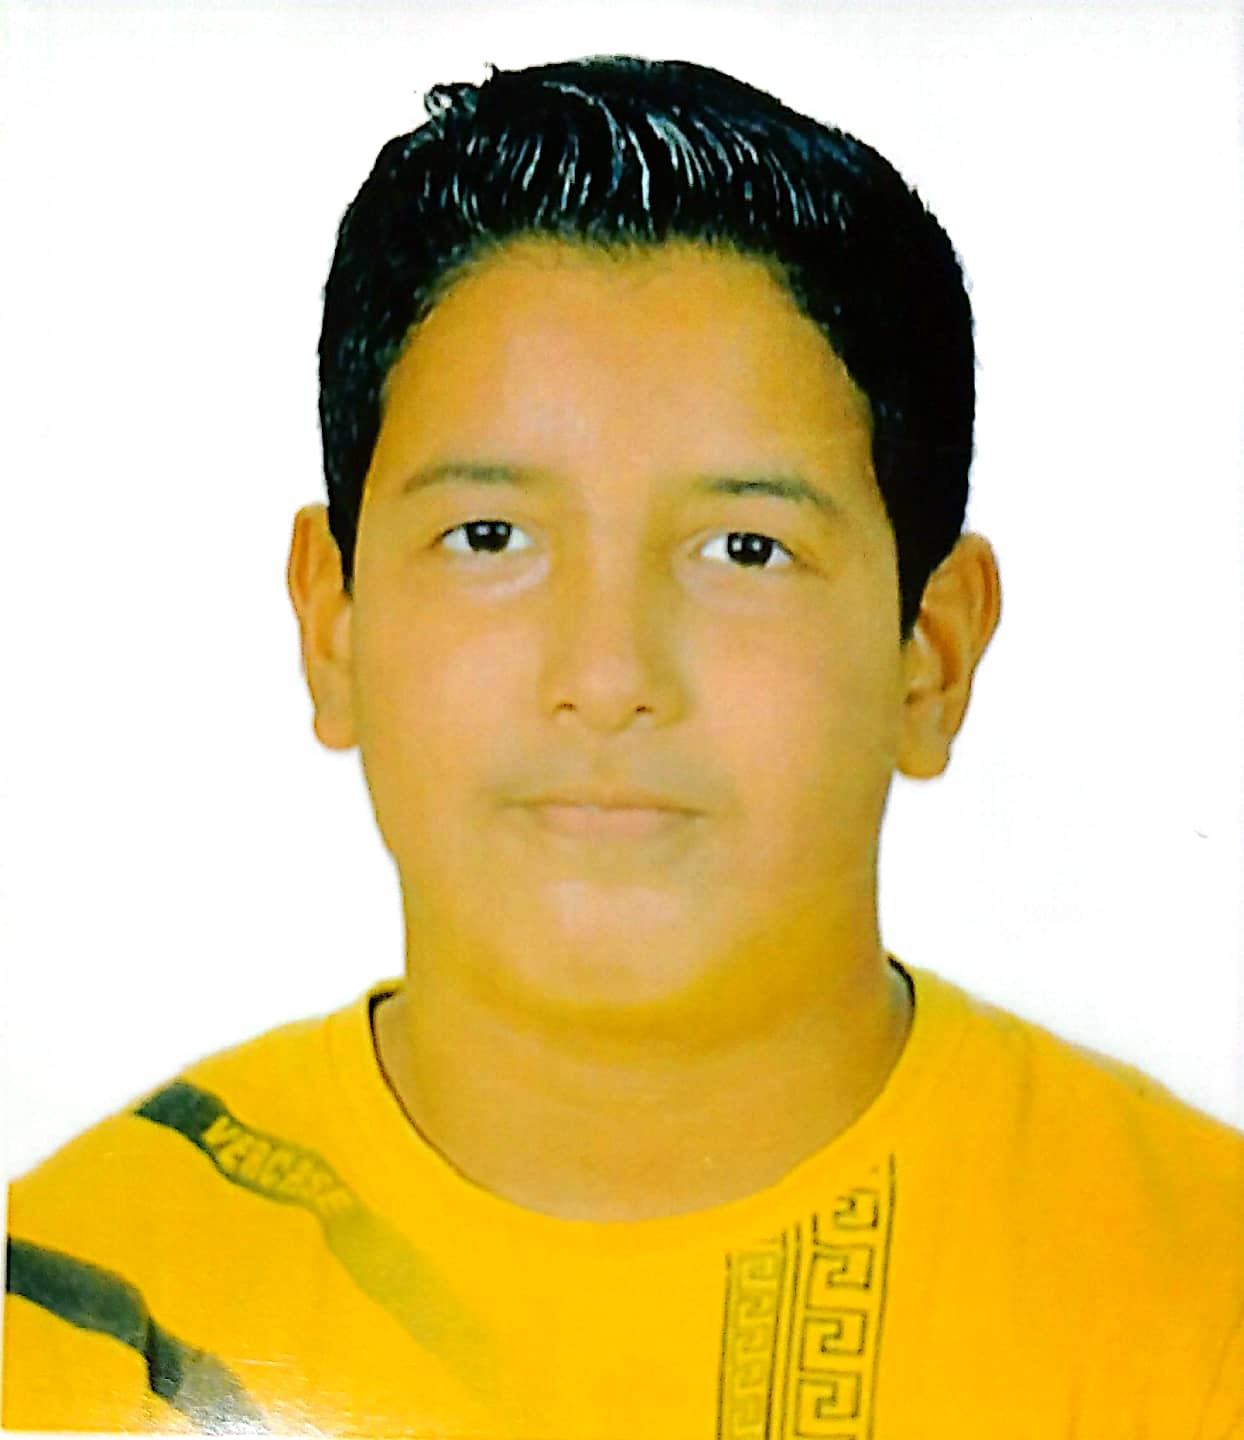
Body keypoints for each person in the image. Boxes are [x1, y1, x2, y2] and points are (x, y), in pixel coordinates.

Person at [3, 53, 1241, 1439]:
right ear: (332, 622)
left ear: (932, 653)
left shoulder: (1201, 1297)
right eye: (489, 537)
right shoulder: (73, 1319)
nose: (606, 678)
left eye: (744, 549)